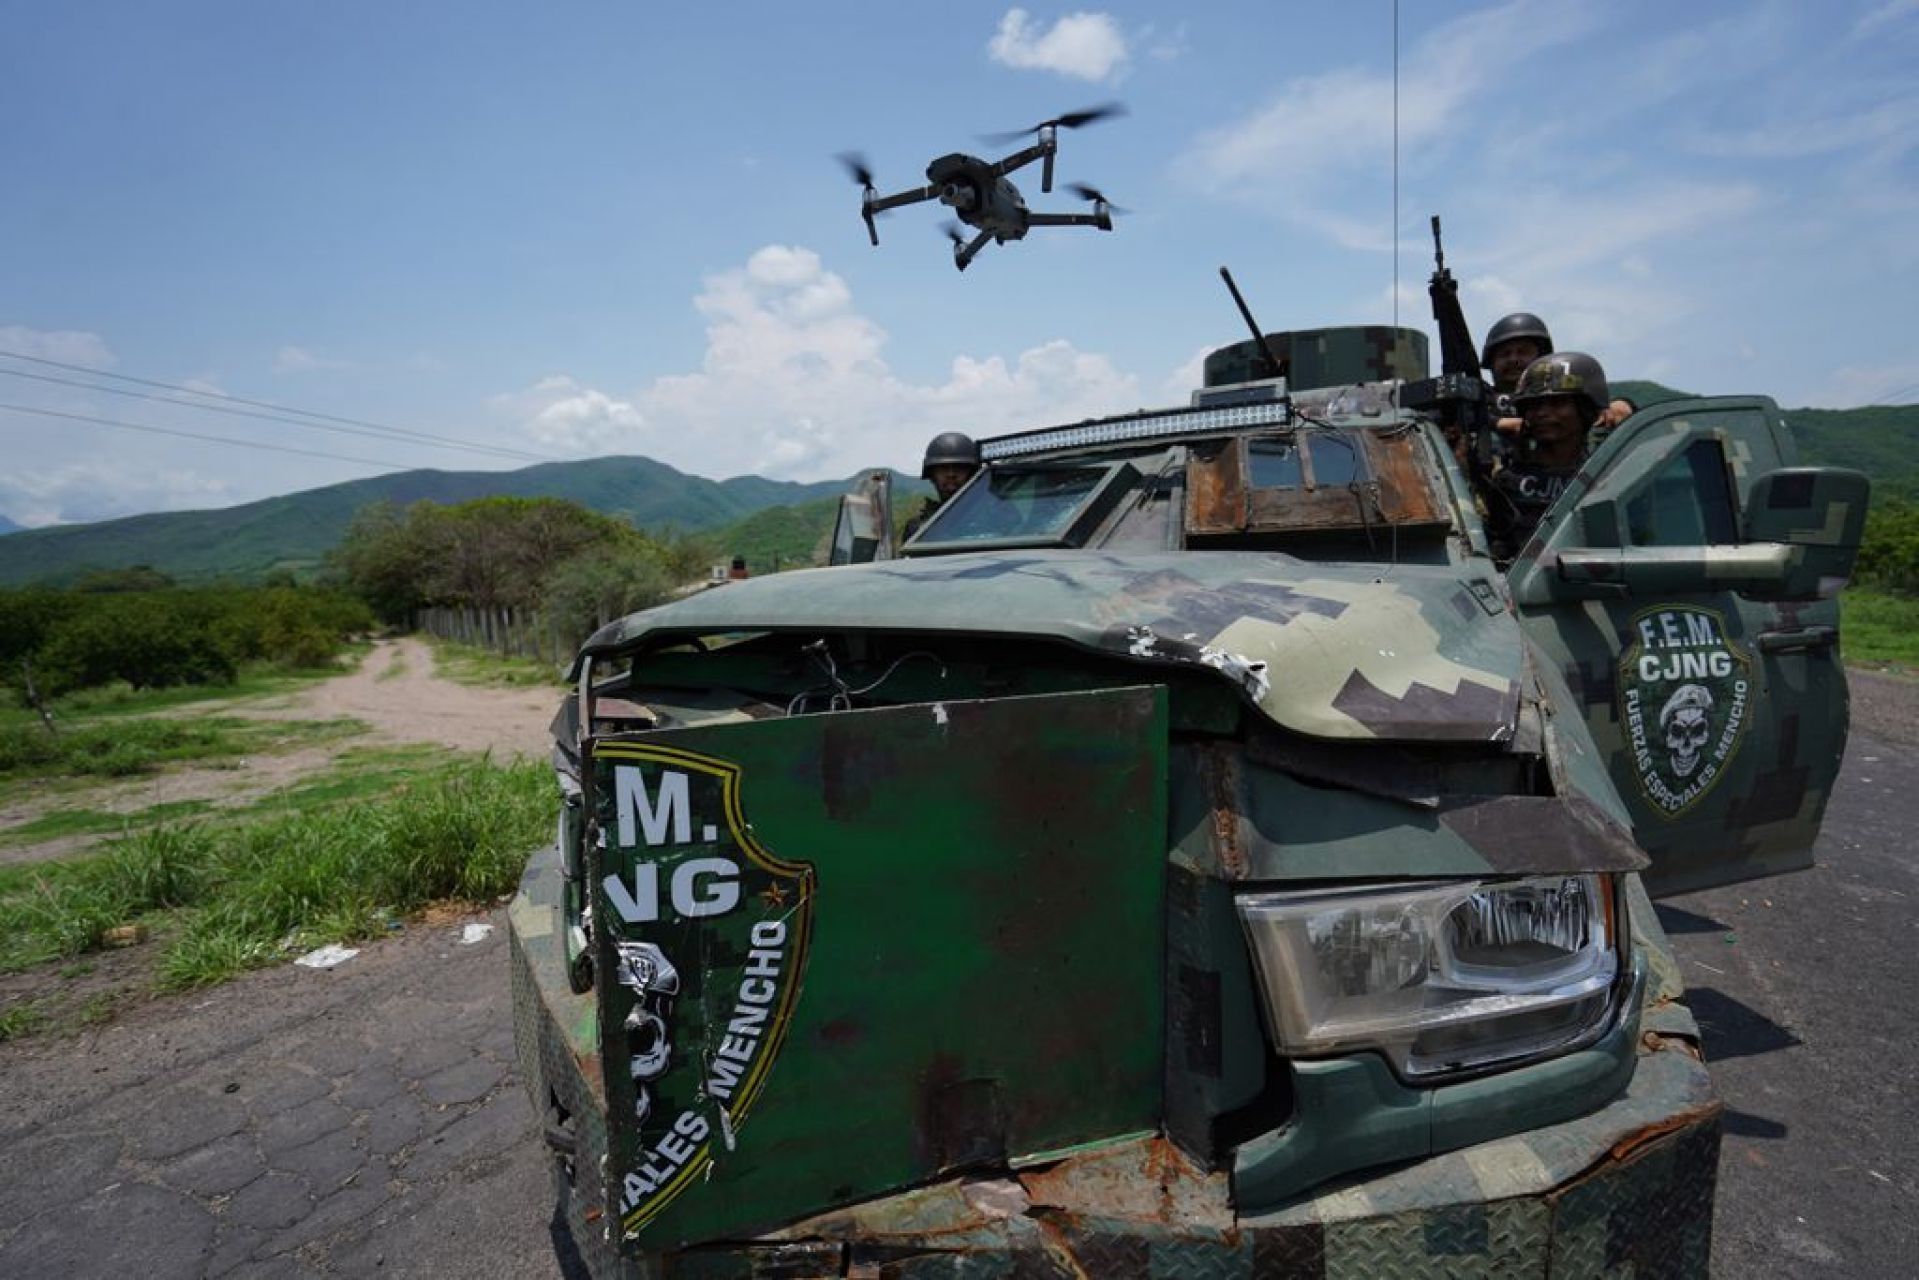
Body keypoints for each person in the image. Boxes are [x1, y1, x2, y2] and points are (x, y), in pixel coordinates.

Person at [1484, 351, 1609, 564]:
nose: (1542, 413)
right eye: (1533, 405)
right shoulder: (1505, 482)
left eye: (1557, 403)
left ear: (1586, 410)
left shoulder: (1607, 479)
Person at [902, 431, 981, 540]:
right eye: (943, 468)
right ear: (932, 476)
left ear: (972, 473)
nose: (951, 474)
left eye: (959, 467)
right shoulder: (919, 529)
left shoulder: (999, 518)